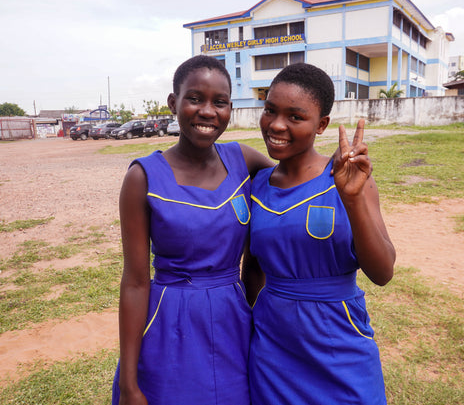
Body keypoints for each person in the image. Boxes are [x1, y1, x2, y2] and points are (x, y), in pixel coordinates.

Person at [112, 55, 272, 405]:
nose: (208, 111)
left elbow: (292, 183)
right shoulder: (143, 177)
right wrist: (128, 384)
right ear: (174, 103)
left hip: (234, 320)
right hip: (171, 323)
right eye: (195, 98)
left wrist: (335, 172)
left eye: (220, 102)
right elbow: (136, 282)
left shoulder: (243, 161)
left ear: (231, 108)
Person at [243, 63, 396, 405]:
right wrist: (254, 324)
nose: (277, 124)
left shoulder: (345, 177)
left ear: (321, 124)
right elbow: (252, 267)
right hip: (272, 349)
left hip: (337, 342)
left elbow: (383, 272)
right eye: (270, 110)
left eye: (295, 117)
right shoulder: (257, 186)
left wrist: (353, 200)